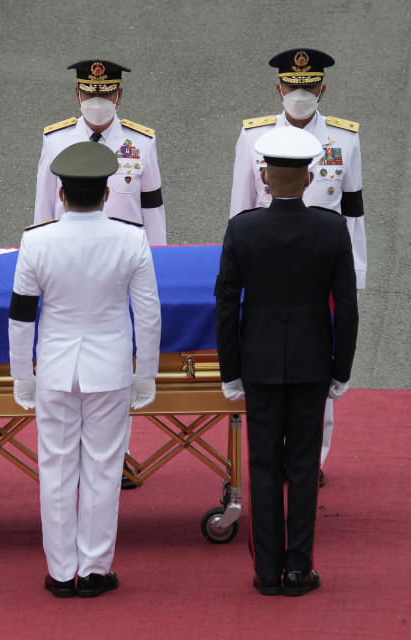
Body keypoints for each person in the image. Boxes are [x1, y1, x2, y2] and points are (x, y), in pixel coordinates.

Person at [9, 141, 161, 598]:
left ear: (60, 194)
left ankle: (60, 572)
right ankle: (95, 569)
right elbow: (148, 312)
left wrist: (23, 373)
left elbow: (21, 315)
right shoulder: (130, 237)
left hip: (55, 368)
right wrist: (146, 372)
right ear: (108, 193)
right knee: (103, 468)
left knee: (55, 468)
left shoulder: (36, 240)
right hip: (109, 369)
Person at [216, 127, 358, 596]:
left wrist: (230, 369)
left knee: (262, 465)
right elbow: (347, 306)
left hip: (257, 364)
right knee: (301, 467)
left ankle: (266, 570)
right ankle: (299, 569)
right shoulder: (331, 227)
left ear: (264, 176)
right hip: (313, 362)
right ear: (311, 175)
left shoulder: (242, 228)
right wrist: (341, 369)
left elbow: (226, 303)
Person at [229, 48, 365, 484]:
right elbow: (240, 207)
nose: (300, 93)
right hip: (265, 263)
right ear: (279, 88)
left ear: (322, 88)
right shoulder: (253, 137)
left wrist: (355, 274)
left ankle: (312, 459)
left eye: (309, 86)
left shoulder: (345, 138)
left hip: (321, 265)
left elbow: (354, 210)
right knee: (265, 353)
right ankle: (273, 450)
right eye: (292, 85)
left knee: (318, 359)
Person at [33, 59, 166, 246]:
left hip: (124, 253)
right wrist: (40, 253)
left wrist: (158, 258)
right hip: (69, 251)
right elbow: (44, 205)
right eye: (88, 94)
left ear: (119, 96)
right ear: (77, 95)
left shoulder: (142, 143)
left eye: (105, 95)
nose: (96, 103)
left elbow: (153, 210)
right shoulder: (55, 141)